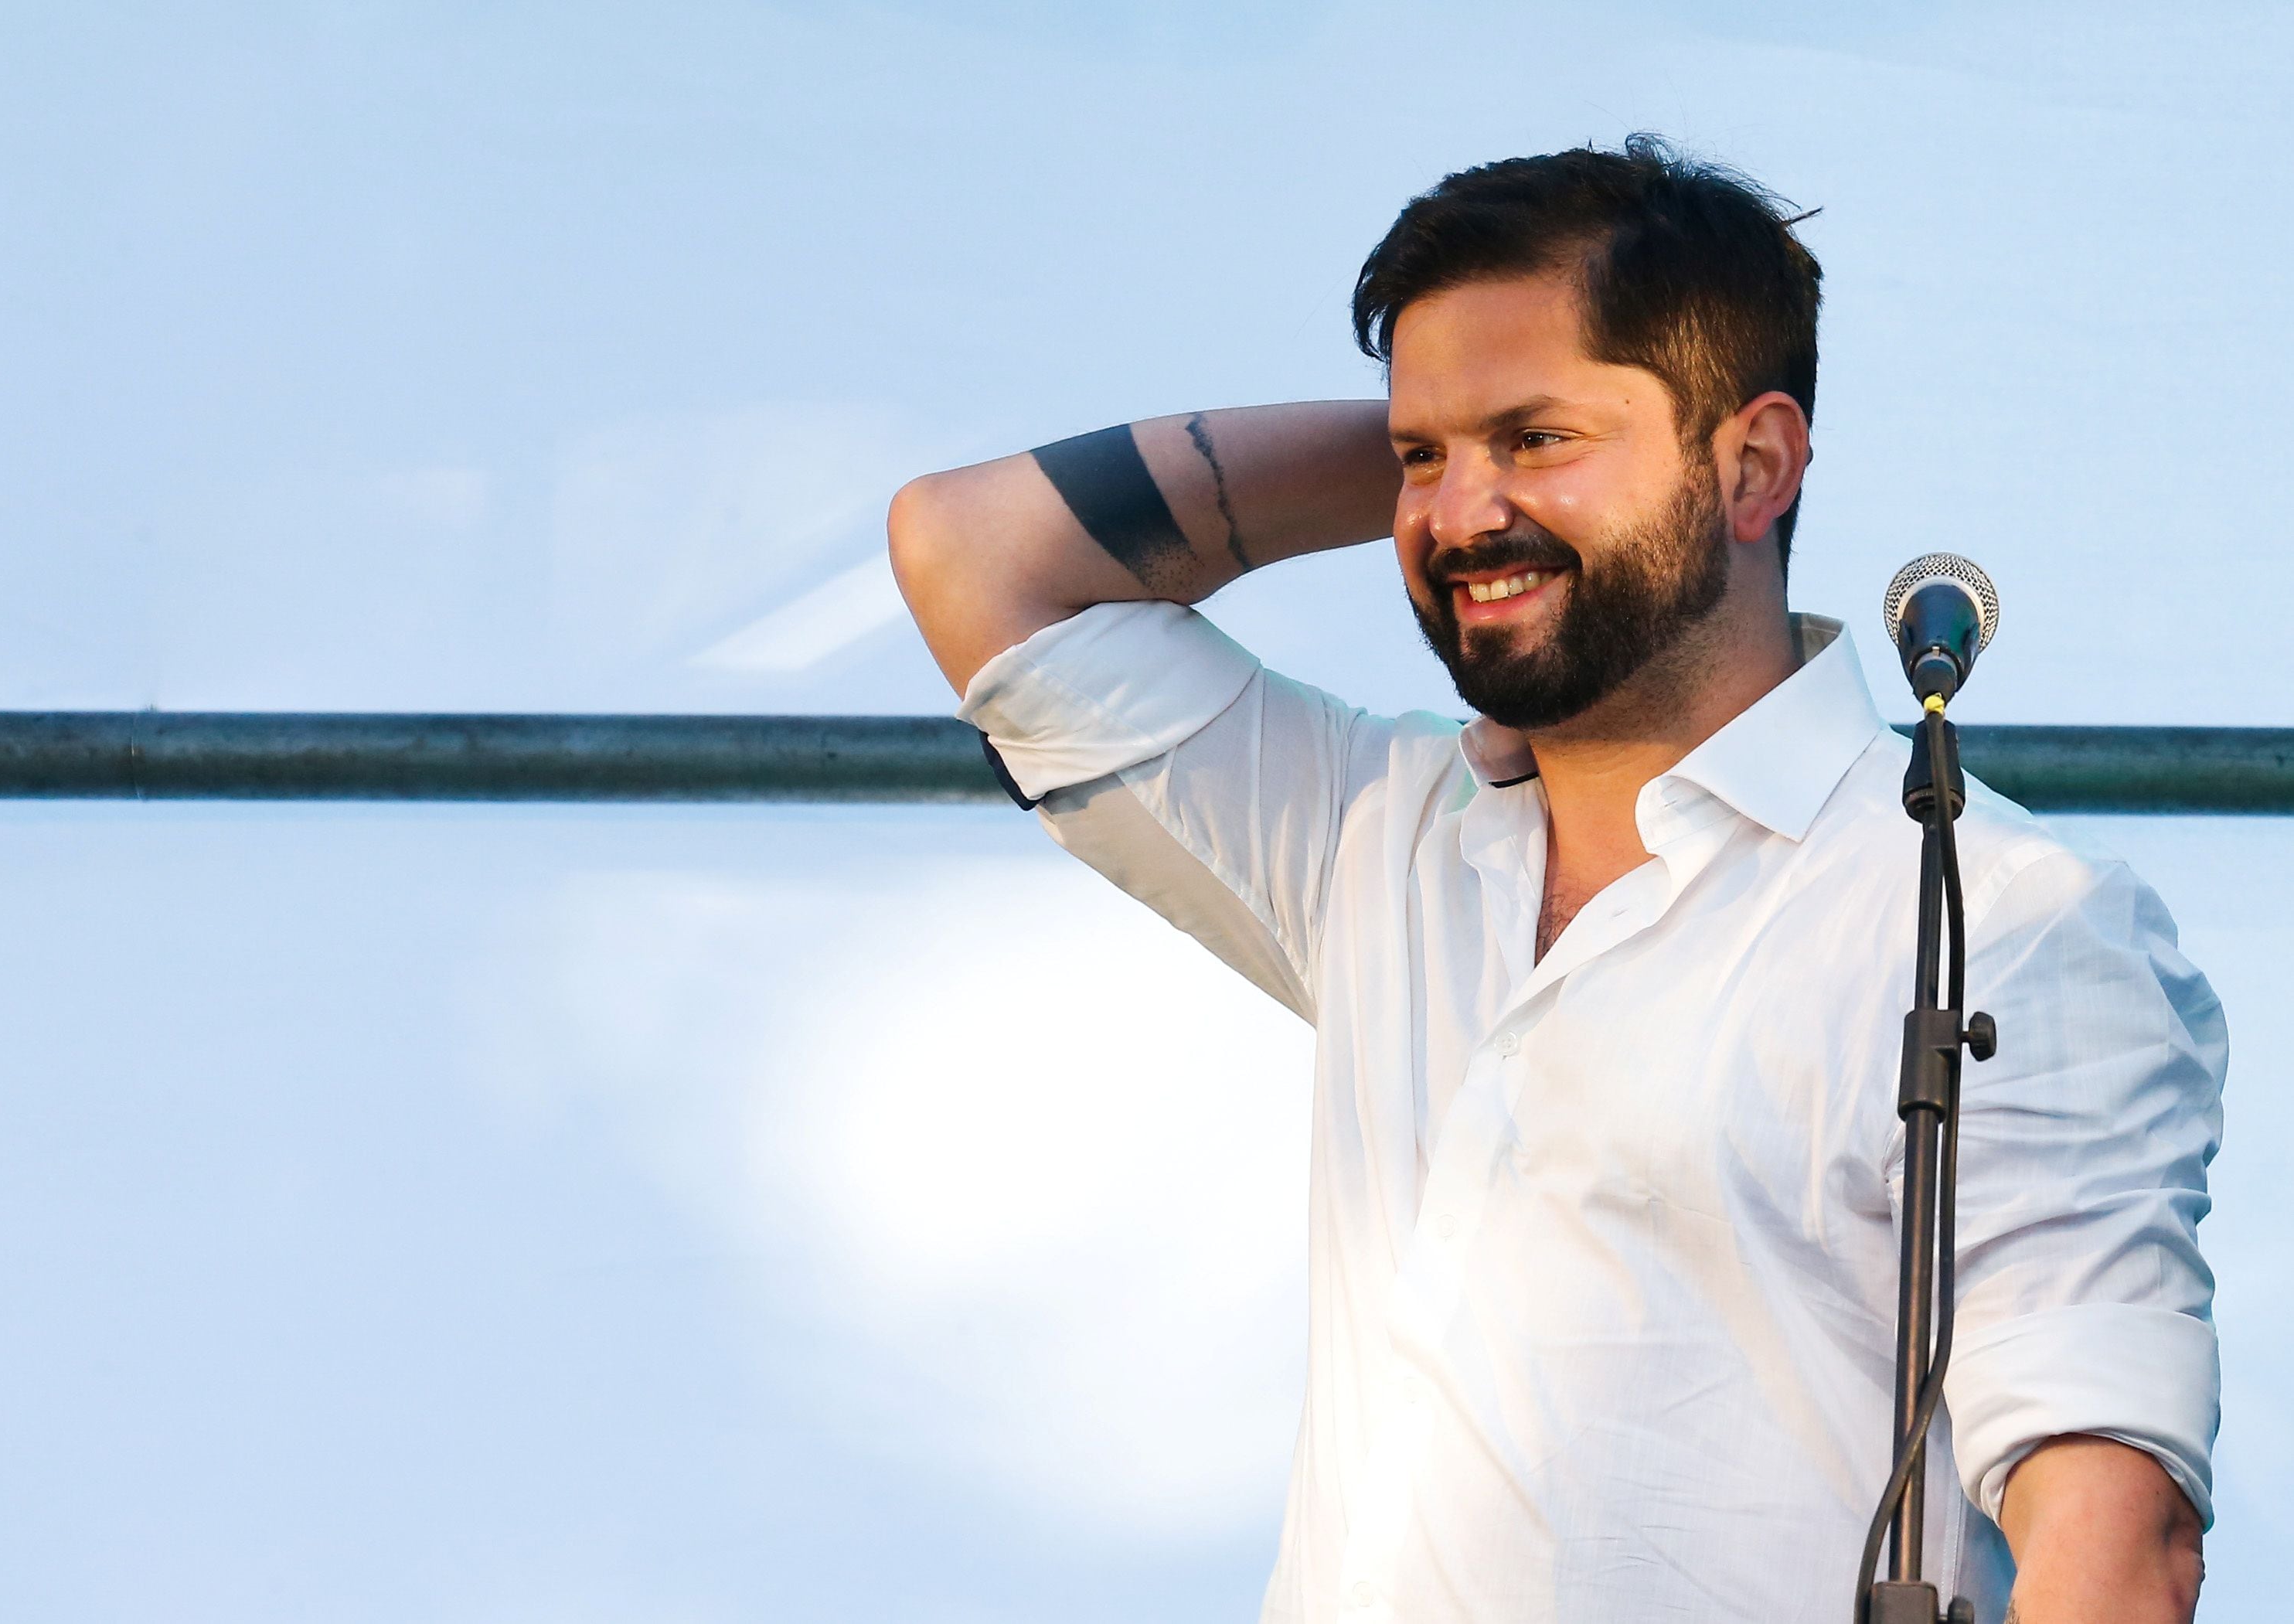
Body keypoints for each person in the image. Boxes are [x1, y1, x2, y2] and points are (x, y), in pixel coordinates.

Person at [885, 138, 2222, 1623]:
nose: (1456, 516)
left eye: (1538, 438)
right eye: (1419, 456)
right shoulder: (1377, 833)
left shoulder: (1998, 916)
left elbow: (2114, 1539)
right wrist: (1477, 433)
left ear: (1756, 463)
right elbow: (969, 551)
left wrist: (1502, 442)